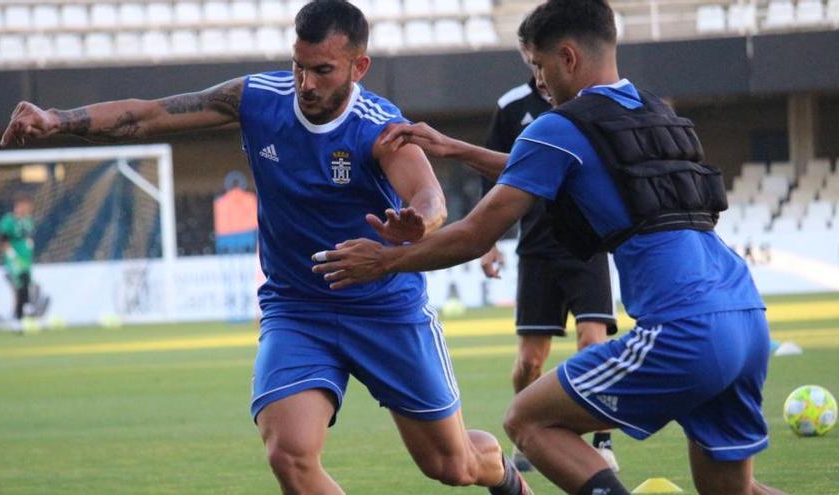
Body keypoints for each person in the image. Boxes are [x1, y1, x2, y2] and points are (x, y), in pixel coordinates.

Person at [0, 2, 532, 494]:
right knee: (290, 454)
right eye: (298, 65)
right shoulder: (257, 99)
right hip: (298, 309)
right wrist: (56, 120)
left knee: (452, 466)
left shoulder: (379, 127)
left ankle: (504, 476)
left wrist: (420, 222)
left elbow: (429, 195)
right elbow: (149, 114)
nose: (305, 82)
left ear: (359, 66)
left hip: (385, 309)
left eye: (322, 70)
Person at [312, 1, 783, 494]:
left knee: (529, 421)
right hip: (744, 313)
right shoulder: (651, 111)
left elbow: (476, 234)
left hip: (687, 327)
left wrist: (386, 261)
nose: (538, 81)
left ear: (567, 58)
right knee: (734, 492)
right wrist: (456, 148)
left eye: (538, 66)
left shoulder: (562, 127)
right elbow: (548, 165)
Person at [416, 46, 620, 473]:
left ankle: (602, 439)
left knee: (592, 342)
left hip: (587, 246)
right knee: (530, 359)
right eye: (531, 58)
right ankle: (528, 430)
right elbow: (499, 173)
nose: (536, 68)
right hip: (537, 246)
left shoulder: (590, 103)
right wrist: (488, 241)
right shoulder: (512, 107)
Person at [0, 193, 35, 325]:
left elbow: (28, 235)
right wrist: (11, 253)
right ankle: (25, 308)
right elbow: (3, 239)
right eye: (25, 206)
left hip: (26, 257)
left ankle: (21, 316)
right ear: (18, 206)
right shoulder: (8, 220)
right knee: (21, 284)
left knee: (26, 283)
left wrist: (30, 242)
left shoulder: (28, 220)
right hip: (14, 258)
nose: (27, 209)